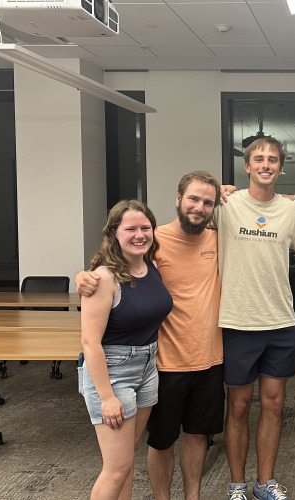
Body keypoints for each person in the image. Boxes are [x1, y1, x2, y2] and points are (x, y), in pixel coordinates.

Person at [77, 171, 224, 500]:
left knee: (190, 438)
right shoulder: (155, 241)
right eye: (193, 199)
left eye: (207, 201)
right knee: (145, 449)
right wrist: (82, 276)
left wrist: (232, 192)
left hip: (197, 360)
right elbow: (105, 269)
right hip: (162, 362)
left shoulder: (214, 237)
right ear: (177, 199)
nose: (199, 207)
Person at [217, 136, 295, 500]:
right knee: (238, 406)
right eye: (259, 158)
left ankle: (264, 482)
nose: (266, 164)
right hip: (238, 321)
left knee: (274, 405)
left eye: (273, 159)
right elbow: (185, 223)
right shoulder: (225, 204)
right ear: (247, 166)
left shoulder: (292, 211)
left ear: (281, 167)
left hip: (280, 322)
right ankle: (237, 484)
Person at [79, 199, 173, 500]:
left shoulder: (151, 266)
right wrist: (106, 397)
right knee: (116, 468)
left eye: (146, 228)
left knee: (125, 460)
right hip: (113, 372)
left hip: (147, 366)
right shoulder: (104, 278)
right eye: (130, 228)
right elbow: (90, 342)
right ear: (114, 233)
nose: (139, 234)